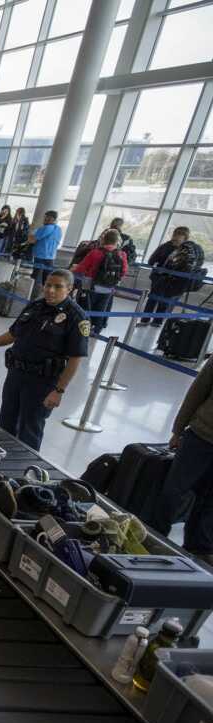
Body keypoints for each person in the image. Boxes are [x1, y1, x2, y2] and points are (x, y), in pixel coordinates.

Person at [0, 269, 89, 450]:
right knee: (6, 422)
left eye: (58, 287)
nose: (51, 290)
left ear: (70, 289)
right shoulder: (35, 306)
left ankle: (24, 473)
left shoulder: (76, 317)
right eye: (48, 285)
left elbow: (75, 359)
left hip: (43, 382)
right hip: (16, 374)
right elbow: (13, 334)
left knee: (30, 429)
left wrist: (59, 391)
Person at [152, 360, 213, 555]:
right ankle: (156, 537)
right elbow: (197, 392)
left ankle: (199, 549)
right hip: (201, 435)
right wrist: (178, 430)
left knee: (209, 501)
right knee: (173, 491)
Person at [142, 226, 207, 326]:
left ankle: (146, 320)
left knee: (154, 299)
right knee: (165, 301)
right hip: (177, 281)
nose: (175, 239)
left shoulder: (166, 247)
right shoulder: (194, 250)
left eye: (176, 236)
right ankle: (157, 321)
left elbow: (151, 261)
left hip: (162, 278)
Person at [70, 228, 128, 336]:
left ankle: (81, 329)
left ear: (103, 240)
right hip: (108, 287)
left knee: (85, 306)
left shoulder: (95, 252)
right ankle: (96, 329)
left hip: (90, 285)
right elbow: (123, 272)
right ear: (117, 242)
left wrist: (74, 268)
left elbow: (81, 268)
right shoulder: (122, 255)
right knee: (102, 308)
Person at [27, 210, 62, 296]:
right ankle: (46, 295)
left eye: (45, 217)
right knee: (48, 278)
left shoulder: (45, 228)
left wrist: (31, 232)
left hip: (40, 256)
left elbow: (32, 240)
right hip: (51, 257)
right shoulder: (59, 229)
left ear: (50, 218)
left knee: (35, 276)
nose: (44, 219)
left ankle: (31, 294)